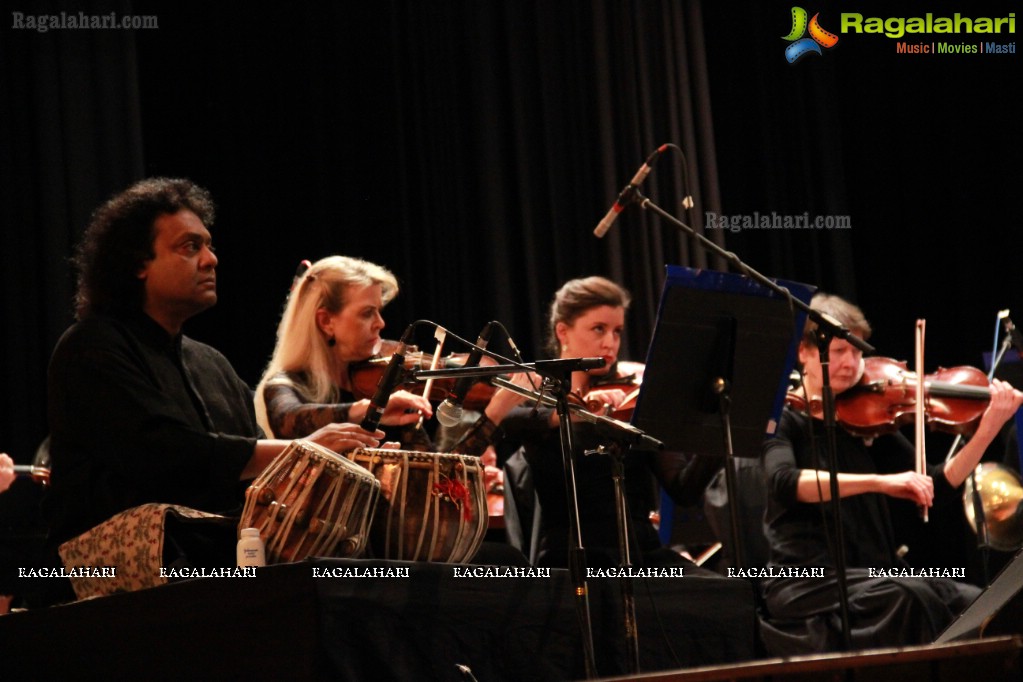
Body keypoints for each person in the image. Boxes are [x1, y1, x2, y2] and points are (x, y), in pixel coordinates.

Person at [44, 178, 383, 549]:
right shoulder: (91, 347)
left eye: (209, 245)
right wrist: (304, 449)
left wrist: (356, 462)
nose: (211, 259)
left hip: (212, 568)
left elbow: (258, 473)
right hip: (107, 579)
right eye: (190, 247)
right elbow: (165, 454)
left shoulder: (212, 364)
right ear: (139, 263)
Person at [761, 293, 1023, 652]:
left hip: (875, 574)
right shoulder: (782, 423)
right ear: (804, 352)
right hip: (807, 580)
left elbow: (938, 485)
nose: (852, 362)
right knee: (913, 596)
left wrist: (988, 427)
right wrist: (881, 483)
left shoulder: (864, 419)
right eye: (840, 351)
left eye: (857, 351)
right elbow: (785, 483)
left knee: (976, 603)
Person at [454, 276, 720, 568]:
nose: (610, 343)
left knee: (722, 597)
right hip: (571, 559)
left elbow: (684, 488)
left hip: (641, 551)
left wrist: (723, 433)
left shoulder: (633, 400)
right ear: (563, 332)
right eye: (598, 329)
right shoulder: (534, 403)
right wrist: (583, 407)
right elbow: (466, 455)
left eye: (617, 332)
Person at [254, 255, 433, 447]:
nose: (381, 323)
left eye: (379, 311)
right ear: (326, 322)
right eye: (367, 313)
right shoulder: (285, 385)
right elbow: (288, 420)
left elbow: (436, 472)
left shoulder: (382, 383)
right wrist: (369, 408)